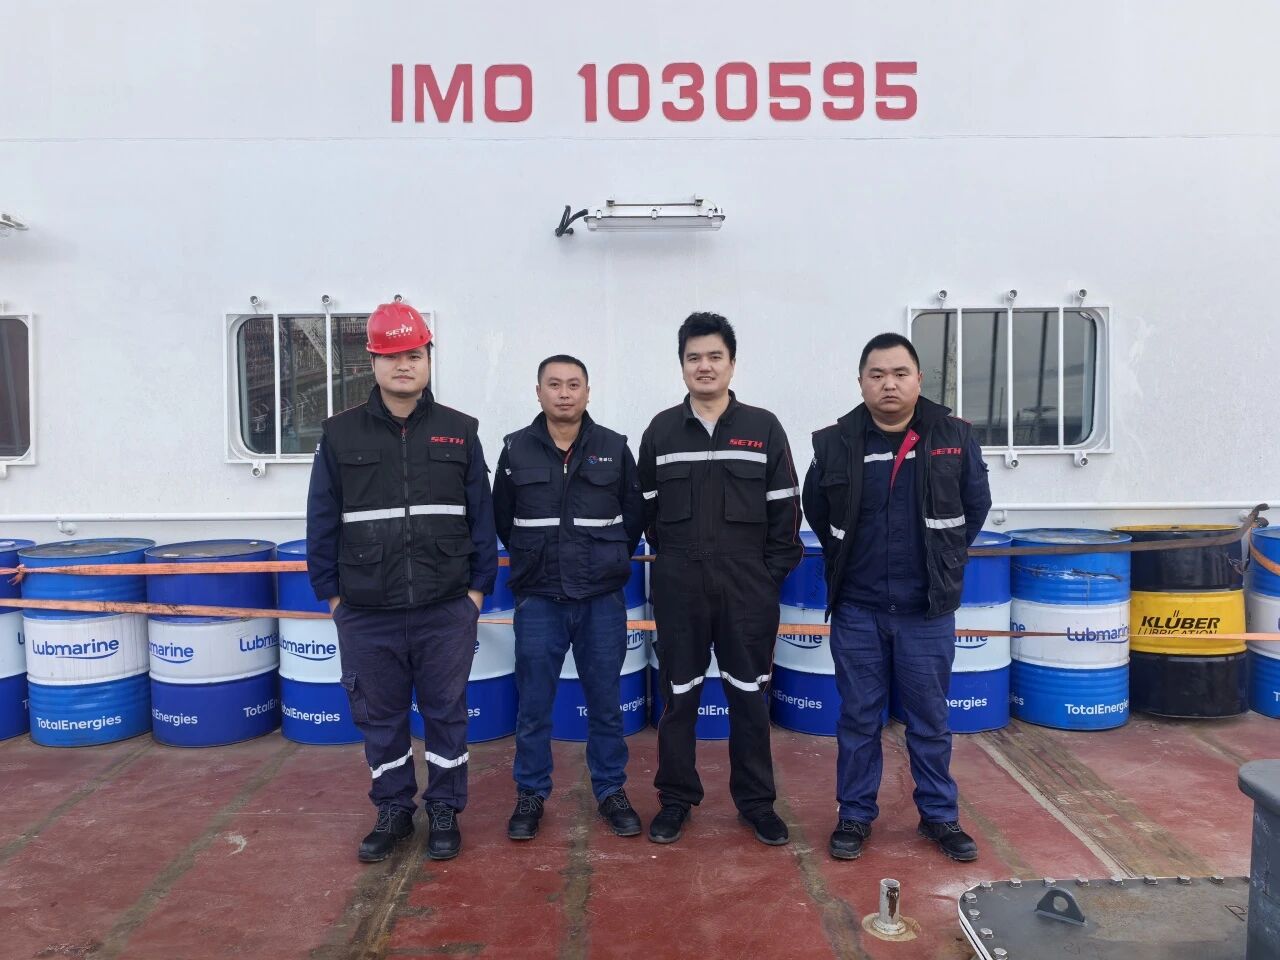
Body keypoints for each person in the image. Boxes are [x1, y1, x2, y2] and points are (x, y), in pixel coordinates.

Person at [306, 300, 497, 863]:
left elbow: (481, 518)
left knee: (446, 713)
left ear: (428, 357)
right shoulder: (340, 435)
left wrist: (475, 593)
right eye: (391, 355)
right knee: (379, 718)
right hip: (367, 611)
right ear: (372, 362)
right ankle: (392, 810)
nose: (403, 365)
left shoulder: (460, 431)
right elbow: (321, 520)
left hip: (446, 606)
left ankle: (445, 809)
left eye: (413, 354)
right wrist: (334, 599)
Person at [802, 332, 991, 862]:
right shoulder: (835, 442)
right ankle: (855, 815)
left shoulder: (953, 436)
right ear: (861, 381)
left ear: (919, 379)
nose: (889, 383)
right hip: (858, 609)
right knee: (858, 720)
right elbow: (816, 508)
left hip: (926, 611)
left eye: (900, 373)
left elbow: (974, 508)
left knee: (930, 721)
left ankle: (939, 816)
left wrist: (943, 562)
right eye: (877, 374)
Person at [638, 312, 802, 846]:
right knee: (679, 696)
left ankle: (757, 804)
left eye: (714, 356)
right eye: (694, 357)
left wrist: (764, 577)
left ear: (732, 363)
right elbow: (647, 513)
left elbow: (786, 512)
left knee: (749, 699)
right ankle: (675, 800)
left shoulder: (763, 428)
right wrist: (677, 564)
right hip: (680, 587)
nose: (704, 366)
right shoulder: (661, 431)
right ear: (681, 365)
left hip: (747, 590)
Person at [493, 355, 646, 840]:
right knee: (534, 704)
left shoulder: (614, 447)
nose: (564, 393)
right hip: (539, 597)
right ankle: (530, 794)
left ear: (587, 392)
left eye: (573, 384)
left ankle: (611, 790)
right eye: (554, 384)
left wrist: (606, 559)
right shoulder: (515, 449)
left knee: (606, 702)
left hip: (601, 598)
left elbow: (633, 517)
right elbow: (503, 518)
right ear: (538, 392)